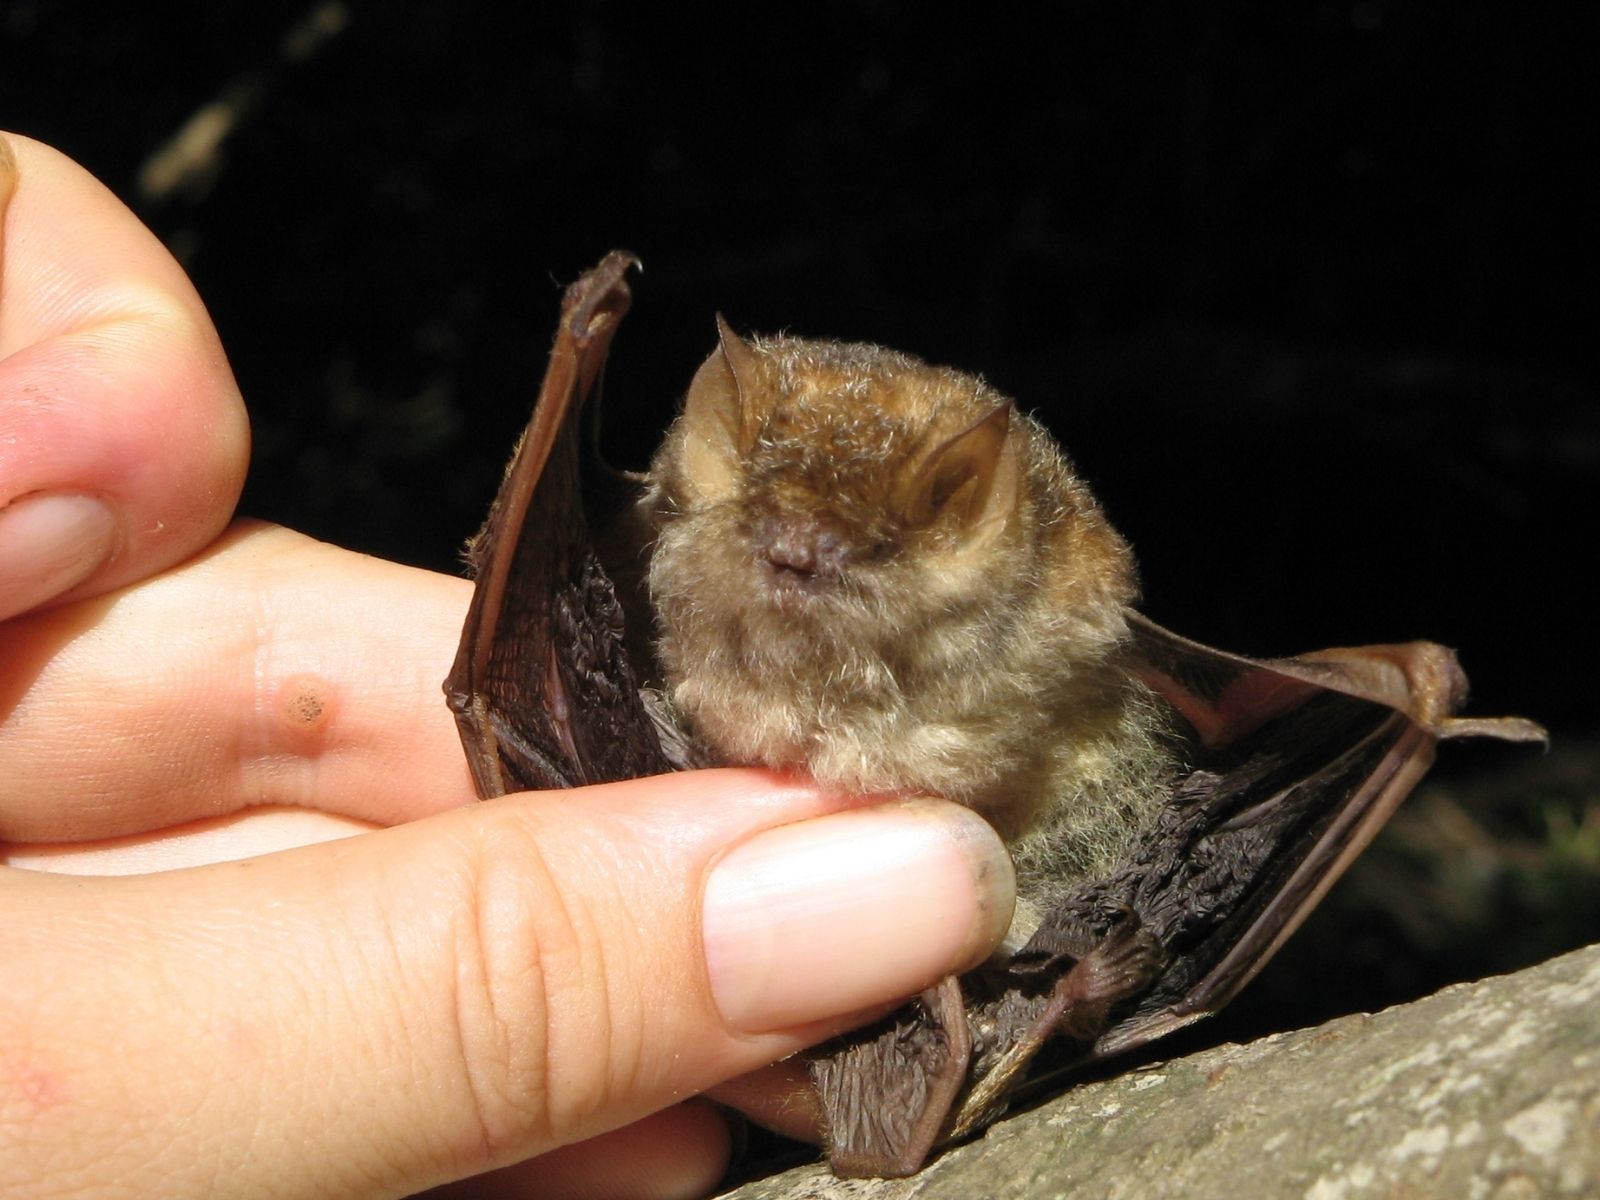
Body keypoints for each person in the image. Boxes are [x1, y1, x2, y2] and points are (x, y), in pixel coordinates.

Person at [0, 132, 1015, 1200]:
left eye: (853, 542)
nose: (801, 556)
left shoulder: (1032, 631)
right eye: (778, 524)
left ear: (962, 519)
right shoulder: (662, 547)